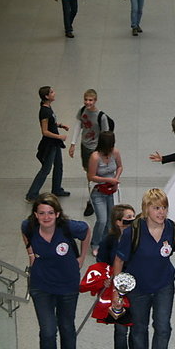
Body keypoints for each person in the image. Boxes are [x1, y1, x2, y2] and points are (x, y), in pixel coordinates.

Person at [111, 188, 175, 349]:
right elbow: (119, 260)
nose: (161, 212)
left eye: (164, 208)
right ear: (146, 209)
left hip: (163, 285)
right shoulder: (133, 231)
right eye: (156, 208)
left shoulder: (174, 229)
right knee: (139, 328)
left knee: (163, 326)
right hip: (138, 288)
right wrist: (117, 291)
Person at [21, 192, 91, 349]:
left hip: (68, 285)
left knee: (67, 326)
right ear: (35, 214)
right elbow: (24, 233)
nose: (46, 217)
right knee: (48, 330)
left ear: (57, 214)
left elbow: (87, 231)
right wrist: (30, 252)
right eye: (42, 213)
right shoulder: (28, 226)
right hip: (41, 285)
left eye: (50, 213)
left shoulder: (69, 228)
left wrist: (82, 257)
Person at [97, 204, 136, 349]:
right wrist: (105, 279)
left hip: (137, 285)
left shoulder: (138, 237)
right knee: (120, 328)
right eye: (128, 221)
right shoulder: (109, 240)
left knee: (137, 324)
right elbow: (102, 263)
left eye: (134, 220)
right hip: (117, 287)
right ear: (117, 222)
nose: (132, 224)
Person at [69, 89, 112, 217]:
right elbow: (78, 126)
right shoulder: (82, 110)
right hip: (85, 146)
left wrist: (105, 153)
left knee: (92, 175)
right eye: (86, 99)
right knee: (89, 173)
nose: (88, 102)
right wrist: (73, 143)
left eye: (91, 100)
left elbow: (106, 135)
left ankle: (93, 200)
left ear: (95, 100)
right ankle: (95, 197)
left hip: (96, 149)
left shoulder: (101, 116)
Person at [25, 86, 70, 202]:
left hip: (55, 143)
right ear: (46, 96)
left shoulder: (48, 108)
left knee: (59, 166)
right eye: (51, 92)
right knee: (46, 169)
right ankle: (32, 194)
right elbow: (45, 131)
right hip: (50, 144)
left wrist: (60, 125)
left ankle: (57, 189)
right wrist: (59, 136)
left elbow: (51, 123)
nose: (54, 93)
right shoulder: (44, 111)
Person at [87, 131, 123, 254]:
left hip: (111, 191)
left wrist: (116, 179)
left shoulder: (115, 152)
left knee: (110, 220)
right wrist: (108, 179)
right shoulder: (95, 157)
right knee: (102, 220)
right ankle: (95, 243)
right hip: (99, 191)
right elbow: (91, 176)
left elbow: (119, 166)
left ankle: (106, 241)